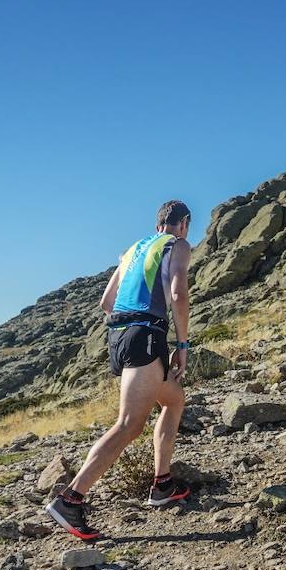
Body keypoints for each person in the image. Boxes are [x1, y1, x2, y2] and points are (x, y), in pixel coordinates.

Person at [45, 200, 194, 541]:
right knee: (129, 424)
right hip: (145, 333)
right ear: (182, 223)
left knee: (173, 400)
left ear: (158, 223)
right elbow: (178, 293)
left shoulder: (132, 250)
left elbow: (105, 301)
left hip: (121, 334)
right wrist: (182, 345)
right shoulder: (178, 245)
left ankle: (162, 483)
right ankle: (70, 499)